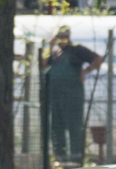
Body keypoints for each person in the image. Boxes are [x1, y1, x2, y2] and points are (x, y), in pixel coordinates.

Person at [44, 26, 103, 162]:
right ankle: (60, 159)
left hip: (72, 96)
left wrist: (85, 71)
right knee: (56, 127)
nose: (61, 39)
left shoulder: (77, 50)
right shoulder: (55, 53)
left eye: (64, 36)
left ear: (69, 36)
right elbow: (42, 65)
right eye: (58, 36)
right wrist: (50, 47)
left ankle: (76, 160)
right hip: (55, 97)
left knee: (74, 126)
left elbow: (98, 59)